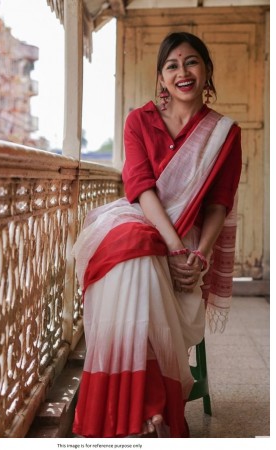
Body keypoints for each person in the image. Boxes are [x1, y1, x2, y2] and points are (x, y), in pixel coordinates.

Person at [71, 31, 242, 438]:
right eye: (172, 65)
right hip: (142, 221)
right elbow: (142, 187)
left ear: (206, 70)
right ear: (161, 78)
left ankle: (135, 409)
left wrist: (198, 255)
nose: (182, 72)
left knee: (136, 255)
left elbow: (219, 202)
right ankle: (150, 407)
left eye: (191, 62)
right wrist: (174, 246)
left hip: (192, 236)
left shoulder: (224, 134)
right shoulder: (139, 120)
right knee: (136, 247)